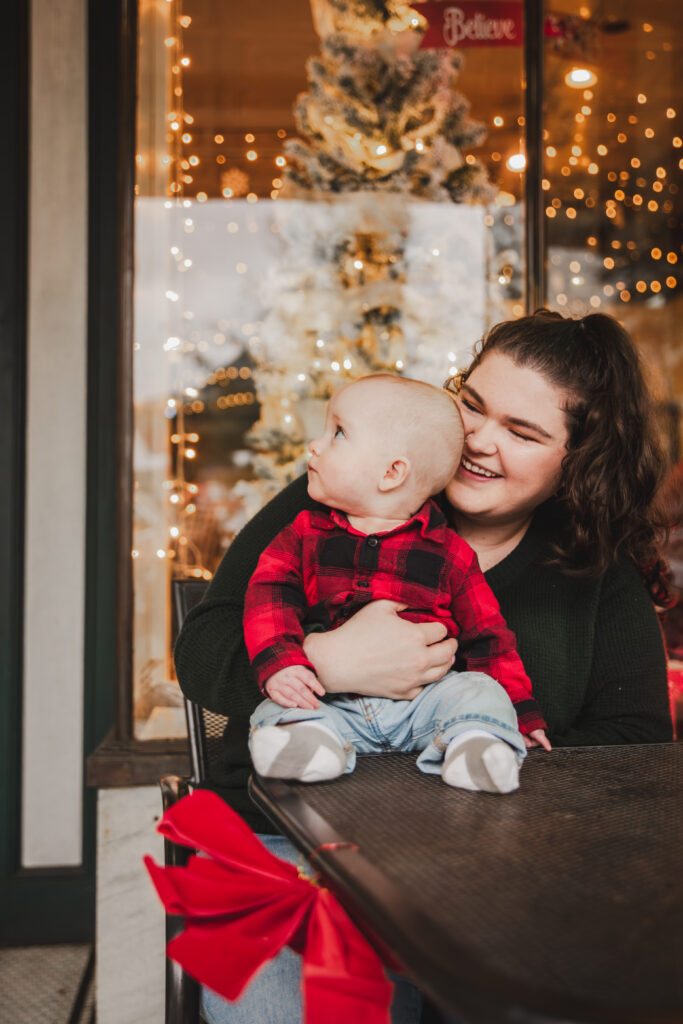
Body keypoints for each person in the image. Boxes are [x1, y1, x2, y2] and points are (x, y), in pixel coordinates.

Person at [174, 310, 674, 1024]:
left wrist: (481, 760)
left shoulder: (594, 571)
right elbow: (202, 648)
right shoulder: (354, 485)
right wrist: (325, 660)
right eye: (471, 405)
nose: (476, 440)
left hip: (502, 880)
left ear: (578, 460)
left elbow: (635, 757)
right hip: (290, 855)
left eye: (523, 431)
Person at [244, 374, 549, 794]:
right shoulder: (303, 532)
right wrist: (283, 663)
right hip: (333, 704)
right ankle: (308, 747)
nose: (314, 445)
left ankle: (478, 747)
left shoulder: (451, 554)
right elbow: (268, 595)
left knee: (479, 689)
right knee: (277, 705)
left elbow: (489, 640)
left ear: (392, 473)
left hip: (426, 706)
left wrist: (520, 714)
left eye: (337, 433)